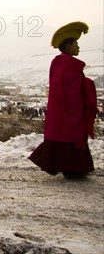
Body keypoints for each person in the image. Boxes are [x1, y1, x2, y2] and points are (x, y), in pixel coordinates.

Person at [29, 22, 98, 179]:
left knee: (66, 138)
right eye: (76, 44)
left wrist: (85, 84)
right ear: (68, 47)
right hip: (68, 111)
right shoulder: (66, 63)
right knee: (70, 137)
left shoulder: (64, 63)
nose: (78, 47)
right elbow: (64, 88)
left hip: (65, 110)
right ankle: (71, 168)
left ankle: (72, 167)